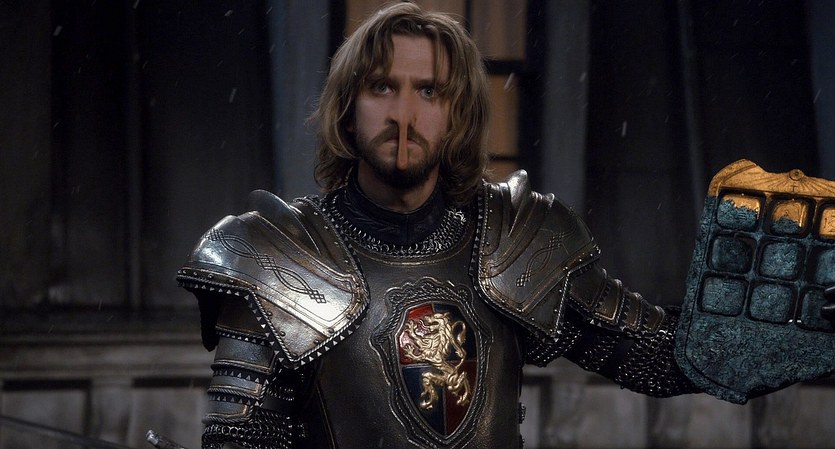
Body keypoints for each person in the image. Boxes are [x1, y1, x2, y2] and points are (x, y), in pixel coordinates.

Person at [177, 3, 835, 448]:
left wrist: (803, 316)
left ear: (458, 113)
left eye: (428, 91)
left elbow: (661, 358)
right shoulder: (277, 255)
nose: (403, 114)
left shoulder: (518, 238)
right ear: (348, 108)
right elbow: (241, 438)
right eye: (381, 87)